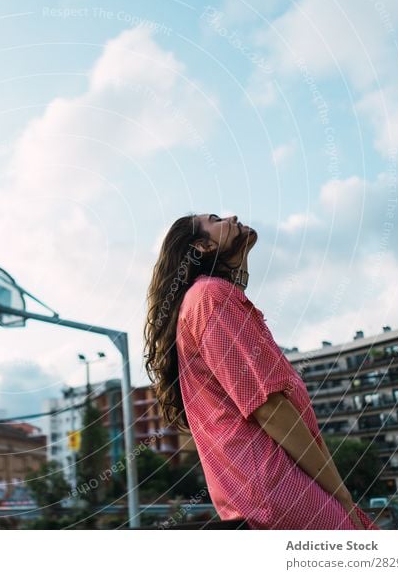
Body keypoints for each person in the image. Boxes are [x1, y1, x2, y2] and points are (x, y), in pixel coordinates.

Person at [144, 213, 378, 530]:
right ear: (202, 245)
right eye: (215, 219)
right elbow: (267, 407)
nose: (232, 216)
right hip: (279, 487)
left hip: (261, 490)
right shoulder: (211, 296)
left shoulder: (206, 299)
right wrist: (342, 494)